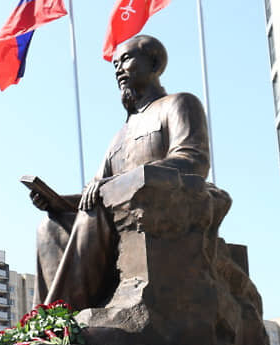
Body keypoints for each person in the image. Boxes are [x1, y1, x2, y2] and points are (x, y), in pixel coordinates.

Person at [31, 35, 210, 309]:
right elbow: (95, 189)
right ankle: (49, 317)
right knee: (50, 225)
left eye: (125, 59)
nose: (117, 68)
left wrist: (122, 183)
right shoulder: (120, 135)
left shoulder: (179, 104)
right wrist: (56, 201)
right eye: (114, 63)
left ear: (153, 63)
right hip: (110, 218)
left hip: (154, 210)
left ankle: (64, 314)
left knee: (94, 212)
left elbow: (192, 160)